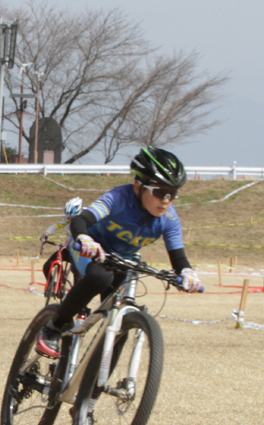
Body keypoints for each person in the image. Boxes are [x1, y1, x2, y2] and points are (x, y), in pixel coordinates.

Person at [35, 147, 202, 359]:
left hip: (123, 260)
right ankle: (54, 328)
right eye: (160, 192)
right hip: (91, 249)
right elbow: (81, 219)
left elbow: (178, 256)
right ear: (138, 186)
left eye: (173, 194)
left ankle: (91, 387)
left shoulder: (169, 219)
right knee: (100, 277)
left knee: (121, 318)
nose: (167, 200)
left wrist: (187, 272)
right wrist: (83, 238)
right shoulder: (118, 198)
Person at [38, 197, 82, 282]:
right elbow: (55, 226)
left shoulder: (85, 222)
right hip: (67, 249)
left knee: (77, 273)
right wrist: (46, 234)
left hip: (77, 253)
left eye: (72, 218)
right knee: (47, 266)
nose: (69, 220)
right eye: (68, 218)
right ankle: (53, 286)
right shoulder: (66, 221)